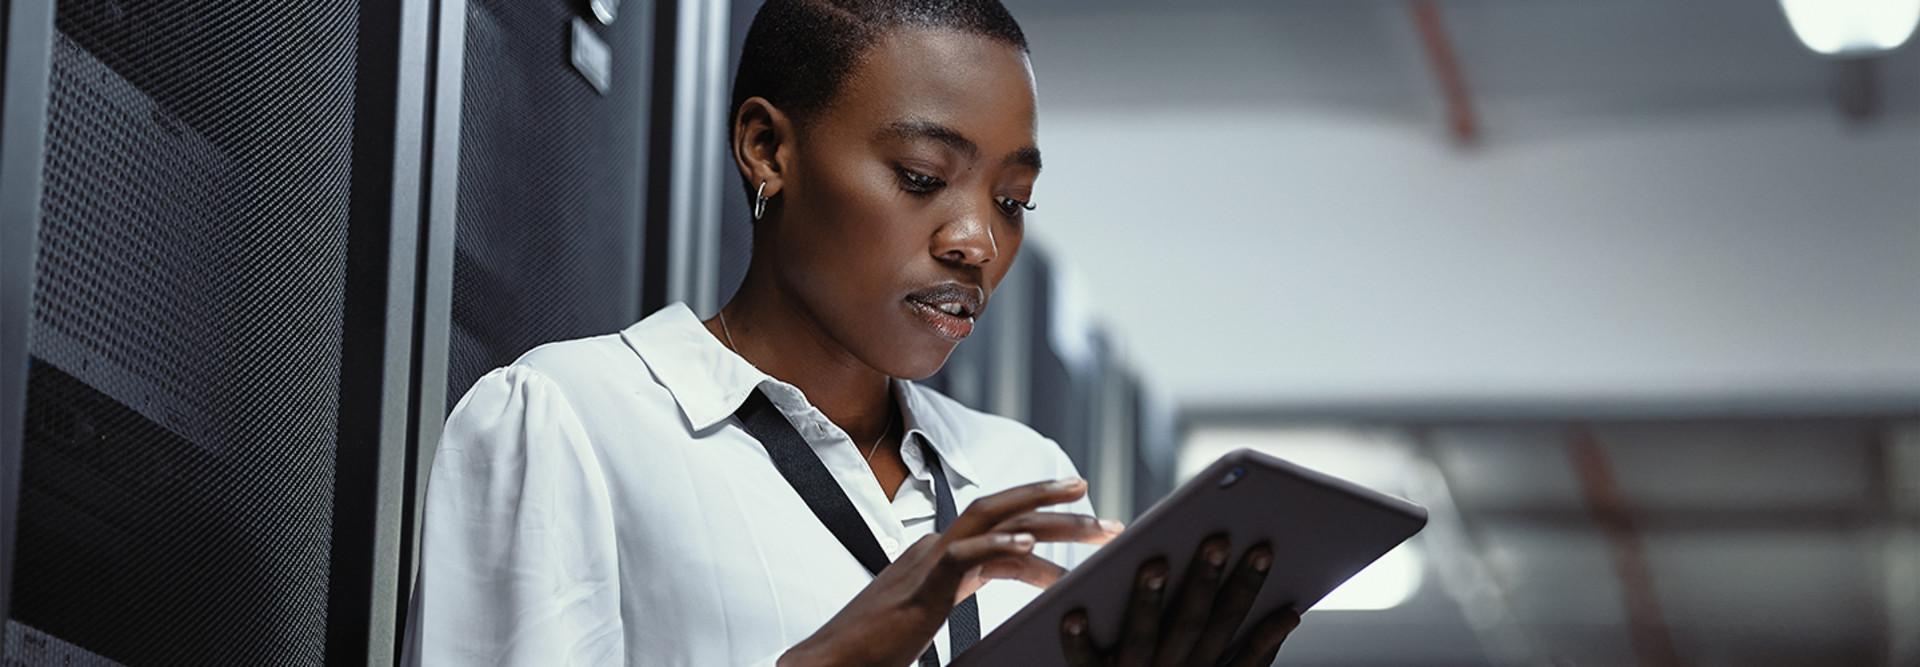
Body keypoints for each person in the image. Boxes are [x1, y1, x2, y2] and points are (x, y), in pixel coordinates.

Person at [403, 1, 1299, 665]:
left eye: (1012, 200)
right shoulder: (574, 423)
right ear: (767, 148)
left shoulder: (1024, 477)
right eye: (920, 177)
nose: (976, 242)